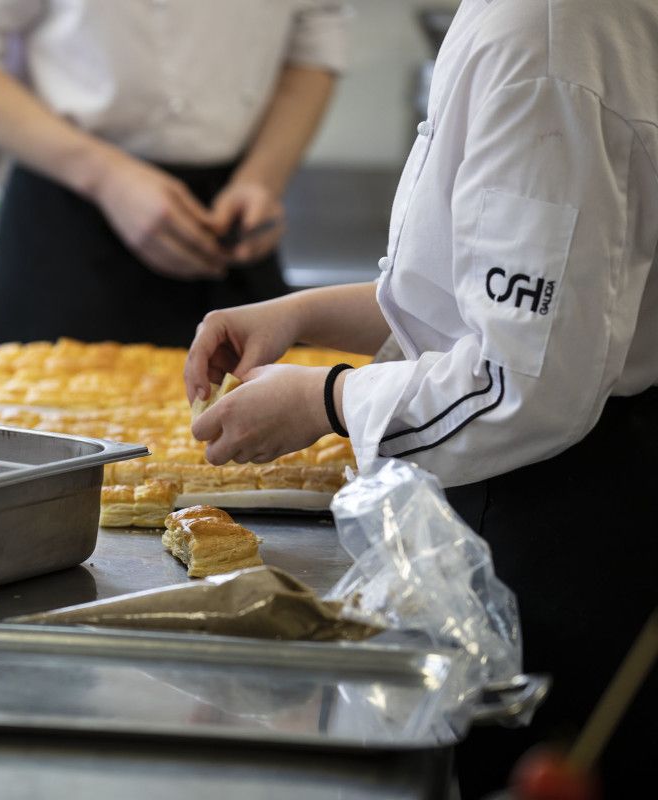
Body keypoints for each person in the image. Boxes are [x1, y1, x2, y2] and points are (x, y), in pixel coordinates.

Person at [183, 0, 657, 795]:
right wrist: (302, 315)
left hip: (564, 518)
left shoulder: (543, 36)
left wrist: (327, 400)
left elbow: (523, 382)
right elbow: (495, 307)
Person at [0, 0, 348, 347]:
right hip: (68, 216)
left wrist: (263, 178)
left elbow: (317, 34)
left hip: (231, 218)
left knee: (261, 446)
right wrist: (105, 176)